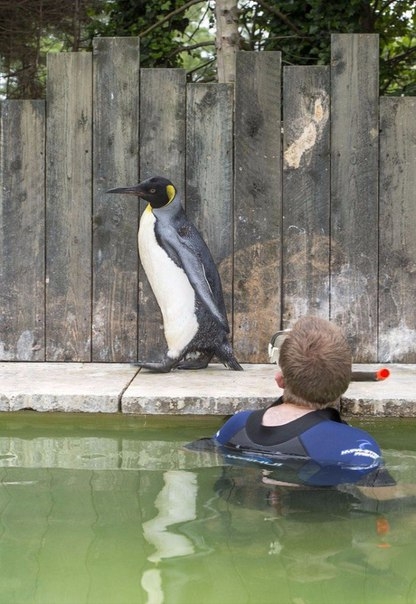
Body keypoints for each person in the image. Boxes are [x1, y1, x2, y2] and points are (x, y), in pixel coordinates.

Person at [213, 316, 390, 487]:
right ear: (344, 387)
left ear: (280, 380)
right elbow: (388, 501)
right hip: (322, 511)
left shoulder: (237, 425)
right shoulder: (356, 444)